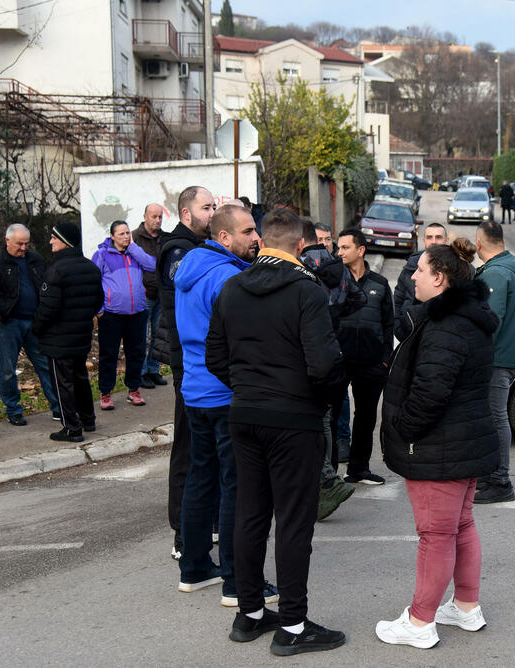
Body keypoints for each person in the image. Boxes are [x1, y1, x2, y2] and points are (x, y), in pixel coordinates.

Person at [206, 208, 347, 656]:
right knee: (292, 522)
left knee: (250, 514)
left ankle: (249, 614)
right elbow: (325, 364)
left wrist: (249, 388)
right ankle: (292, 624)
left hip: (245, 414)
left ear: (264, 241)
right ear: (301, 246)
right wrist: (318, 401)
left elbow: (215, 357)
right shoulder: (307, 290)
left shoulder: (232, 287)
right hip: (292, 420)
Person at [375, 239, 499, 649]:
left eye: (420, 270)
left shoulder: (447, 326)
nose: (413, 276)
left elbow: (430, 393)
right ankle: (465, 607)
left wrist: (403, 428)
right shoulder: (466, 318)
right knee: (459, 526)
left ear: (440, 278)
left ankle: (419, 622)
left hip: (441, 446)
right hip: (463, 443)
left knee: (436, 534)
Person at [173, 204, 279, 608]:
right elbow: (245, 339)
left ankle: (195, 568)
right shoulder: (229, 277)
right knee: (238, 486)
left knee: (202, 477)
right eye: (249, 231)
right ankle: (237, 581)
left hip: (195, 391)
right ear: (223, 237)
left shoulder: (191, 267)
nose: (257, 238)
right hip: (224, 393)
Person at [156, 185, 216, 560]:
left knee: (207, 446)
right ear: (186, 213)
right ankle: (182, 529)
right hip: (189, 361)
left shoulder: (199, 247)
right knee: (189, 446)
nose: (212, 212)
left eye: (214, 206)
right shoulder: (178, 250)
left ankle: (204, 521)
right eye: (206, 207)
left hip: (205, 361)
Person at [299, 222, 366, 521]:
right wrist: (335, 318)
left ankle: (323, 481)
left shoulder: (297, 266)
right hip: (332, 349)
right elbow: (359, 299)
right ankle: (327, 477)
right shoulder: (338, 268)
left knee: (309, 421)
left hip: (305, 351)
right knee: (326, 418)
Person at [0, 224, 61, 426]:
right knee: (7, 369)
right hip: (8, 323)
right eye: (19, 244)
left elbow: (46, 284)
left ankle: (58, 407)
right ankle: (13, 409)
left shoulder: (35, 259)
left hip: (34, 321)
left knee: (45, 365)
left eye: (26, 243)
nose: (23, 248)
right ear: (7, 241)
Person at [333, 228, 394, 485]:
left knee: (366, 417)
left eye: (345, 247)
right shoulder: (334, 281)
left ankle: (358, 469)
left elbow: (389, 324)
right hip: (338, 362)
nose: (339, 252)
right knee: (332, 417)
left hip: (371, 364)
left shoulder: (379, 284)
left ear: (361, 250)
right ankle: (329, 475)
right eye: (338, 247)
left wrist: (384, 361)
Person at [33, 223, 104, 443]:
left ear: (64, 241)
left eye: (54, 238)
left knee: (62, 381)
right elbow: (98, 301)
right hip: (81, 334)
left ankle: (71, 427)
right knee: (80, 376)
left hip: (58, 338)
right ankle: (88, 419)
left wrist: (36, 328)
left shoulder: (56, 270)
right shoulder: (90, 267)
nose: (50, 241)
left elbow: (48, 308)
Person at [473, 220, 515, 504]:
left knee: (495, 417)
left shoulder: (495, 273)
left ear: (479, 243)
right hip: (505, 356)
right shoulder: (510, 269)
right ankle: (490, 474)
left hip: (495, 358)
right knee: (493, 417)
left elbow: (489, 321)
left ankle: (500, 481)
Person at [92, 220, 156, 410]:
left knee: (136, 353)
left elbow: (152, 266)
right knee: (109, 354)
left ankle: (134, 390)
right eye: (121, 234)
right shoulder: (102, 255)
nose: (126, 237)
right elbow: (93, 283)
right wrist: (99, 310)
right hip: (111, 314)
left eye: (128, 233)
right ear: (112, 236)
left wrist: (135, 249)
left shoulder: (135, 254)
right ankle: (105, 393)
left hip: (137, 313)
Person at [132, 203, 167, 389]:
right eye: (154, 216)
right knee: (142, 335)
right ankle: (142, 372)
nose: (157, 220)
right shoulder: (135, 237)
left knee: (157, 335)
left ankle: (153, 369)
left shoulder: (164, 238)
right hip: (144, 293)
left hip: (161, 293)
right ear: (145, 216)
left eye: (160, 216)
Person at [393, 222, 446, 340]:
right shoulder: (410, 267)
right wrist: (399, 328)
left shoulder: (456, 270)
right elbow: (397, 299)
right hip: (409, 336)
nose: (433, 241)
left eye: (438, 237)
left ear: (446, 240)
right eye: (429, 237)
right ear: (424, 241)